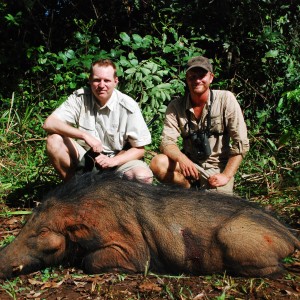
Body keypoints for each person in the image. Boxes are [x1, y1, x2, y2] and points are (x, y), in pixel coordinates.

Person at [43, 59, 153, 183]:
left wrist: (113, 161)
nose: (101, 85)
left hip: (118, 160)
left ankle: (120, 199)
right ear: (89, 80)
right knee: (54, 140)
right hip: (86, 156)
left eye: (107, 80)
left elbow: (139, 149)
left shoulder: (128, 106)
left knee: (143, 177)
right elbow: (49, 123)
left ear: (115, 81)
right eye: (96, 80)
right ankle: (74, 192)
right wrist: (84, 135)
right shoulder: (80, 98)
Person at [150, 56, 249, 193]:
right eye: (192, 76)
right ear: (187, 78)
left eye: (202, 75)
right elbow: (167, 142)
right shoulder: (176, 106)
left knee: (217, 207)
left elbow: (241, 143)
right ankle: (186, 189)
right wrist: (182, 159)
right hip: (190, 166)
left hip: (217, 168)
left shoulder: (225, 99)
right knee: (158, 163)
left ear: (211, 77)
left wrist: (226, 175)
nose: (197, 80)